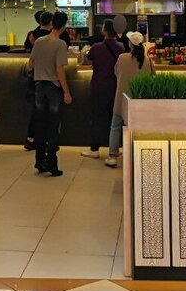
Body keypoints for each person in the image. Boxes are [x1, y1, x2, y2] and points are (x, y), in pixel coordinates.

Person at [28, 11, 72, 176]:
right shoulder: (60, 44)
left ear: (53, 23)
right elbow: (59, 69)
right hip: (53, 88)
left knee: (40, 124)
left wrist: (41, 68)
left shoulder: (39, 41)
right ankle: (52, 163)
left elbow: (31, 63)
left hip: (39, 87)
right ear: (64, 26)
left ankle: (39, 161)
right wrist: (66, 92)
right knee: (53, 126)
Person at [107, 32, 153, 167]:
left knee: (115, 127)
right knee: (137, 129)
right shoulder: (148, 61)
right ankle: (136, 154)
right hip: (138, 100)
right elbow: (152, 77)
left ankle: (113, 156)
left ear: (130, 44)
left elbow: (116, 72)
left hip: (121, 99)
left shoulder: (122, 58)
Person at [82, 20, 123, 158]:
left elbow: (88, 61)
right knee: (115, 119)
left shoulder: (96, 47)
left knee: (96, 118)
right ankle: (115, 148)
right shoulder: (121, 47)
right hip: (115, 87)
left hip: (98, 87)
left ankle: (94, 149)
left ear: (104, 31)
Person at [23, 11, 53, 150]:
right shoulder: (55, 36)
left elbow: (28, 51)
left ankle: (31, 138)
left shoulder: (32, 35)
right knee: (49, 111)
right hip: (51, 77)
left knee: (37, 110)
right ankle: (46, 140)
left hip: (36, 78)